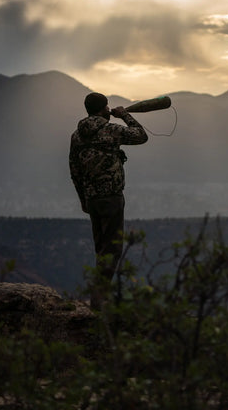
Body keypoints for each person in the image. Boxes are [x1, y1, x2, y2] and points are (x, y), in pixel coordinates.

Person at [69, 92, 148, 308]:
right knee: (113, 249)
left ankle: (99, 295)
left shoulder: (77, 136)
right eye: (107, 107)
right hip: (111, 197)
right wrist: (124, 115)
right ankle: (99, 299)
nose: (109, 110)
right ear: (103, 108)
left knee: (101, 248)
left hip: (92, 198)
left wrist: (83, 199)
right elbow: (141, 136)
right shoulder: (110, 130)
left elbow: (74, 171)